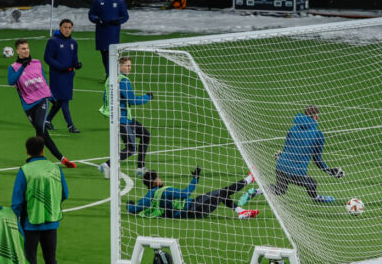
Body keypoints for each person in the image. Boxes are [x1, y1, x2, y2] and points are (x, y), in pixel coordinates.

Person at [12, 136, 69, 264]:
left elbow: (17, 200)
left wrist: (15, 220)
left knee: (31, 258)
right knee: (50, 258)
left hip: (31, 222)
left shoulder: (25, 170)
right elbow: (65, 193)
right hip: (51, 221)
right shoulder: (55, 169)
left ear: (27, 151)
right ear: (43, 150)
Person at [7, 40, 76, 168]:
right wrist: (23, 67)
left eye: (27, 48)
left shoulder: (37, 63)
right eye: (22, 49)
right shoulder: (13, 67)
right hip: (28, 104)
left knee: (39, 125)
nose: (26, 50)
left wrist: (51, 97)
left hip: (42, 99)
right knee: (43, 132)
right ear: (17, 51)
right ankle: (62, 158)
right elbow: (11, 81)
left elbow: (43, 80)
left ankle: (36, 158)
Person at [271, 106, 345, 203]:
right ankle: (316, 198)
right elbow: (317, 160)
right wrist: (329, 170)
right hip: (296, 172)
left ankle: (256, 191)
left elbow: (286, 148)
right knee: (312, 183)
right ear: (316, 117)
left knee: (280, 189)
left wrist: (281, 156)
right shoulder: (318, 134)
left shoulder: (293, 129)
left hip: (281, 167)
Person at [126, 167, 260, 219]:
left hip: (192, 206)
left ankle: (240, 211)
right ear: (154, 182)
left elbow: (135, 209)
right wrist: (195, 179)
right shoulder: (165, 191)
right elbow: (185, 194)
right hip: (194, 209)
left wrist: (128, 205)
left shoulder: (149, 196)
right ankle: (249, 179)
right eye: (157, 177)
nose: (160, 179)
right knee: (223, 192)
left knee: (221, 193)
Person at [98, 56, 152, 177]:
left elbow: (104, 97)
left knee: (145, 135)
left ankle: (140, 167)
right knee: (131, 148)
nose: (129, 68)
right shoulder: (123, 81)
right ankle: (106, 165)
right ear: (120, 66)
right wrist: (147, 97)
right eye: (127, 66)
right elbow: (133, 100)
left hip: (123, 118)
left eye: (130, 66)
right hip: (122, 120)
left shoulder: (111, 79)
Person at [44, 19, 82, 134]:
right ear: (60, 28)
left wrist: (77, 65)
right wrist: (60, 67)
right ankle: (70, 126)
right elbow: (48, 58)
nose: (67, 30)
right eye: (65, 27)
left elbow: (74, 58)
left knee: (59, 101)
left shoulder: (73, 43)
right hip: (58, 75)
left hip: (69, 75)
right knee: (64, 100)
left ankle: (47, 120)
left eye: (70, 28)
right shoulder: (53, 41)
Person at [88, 0, 129, 75]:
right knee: (104, 55)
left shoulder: (120, 1)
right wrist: (97, 20)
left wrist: (118, 22)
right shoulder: (98, 1)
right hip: (101, 32)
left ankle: (112, 75)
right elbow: (91, 15)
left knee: (112, 54)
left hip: (113, 32)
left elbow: (126, 16)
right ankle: (109, 74)